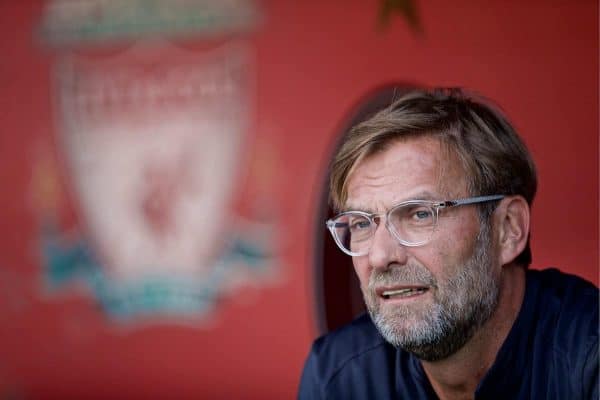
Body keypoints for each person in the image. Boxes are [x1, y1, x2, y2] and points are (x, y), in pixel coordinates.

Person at [298, 88, 598, 399]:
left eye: (419, 214)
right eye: (361, 222)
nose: (379, 256)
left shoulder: (588, 360)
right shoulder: (341, 377)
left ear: (508, 229)